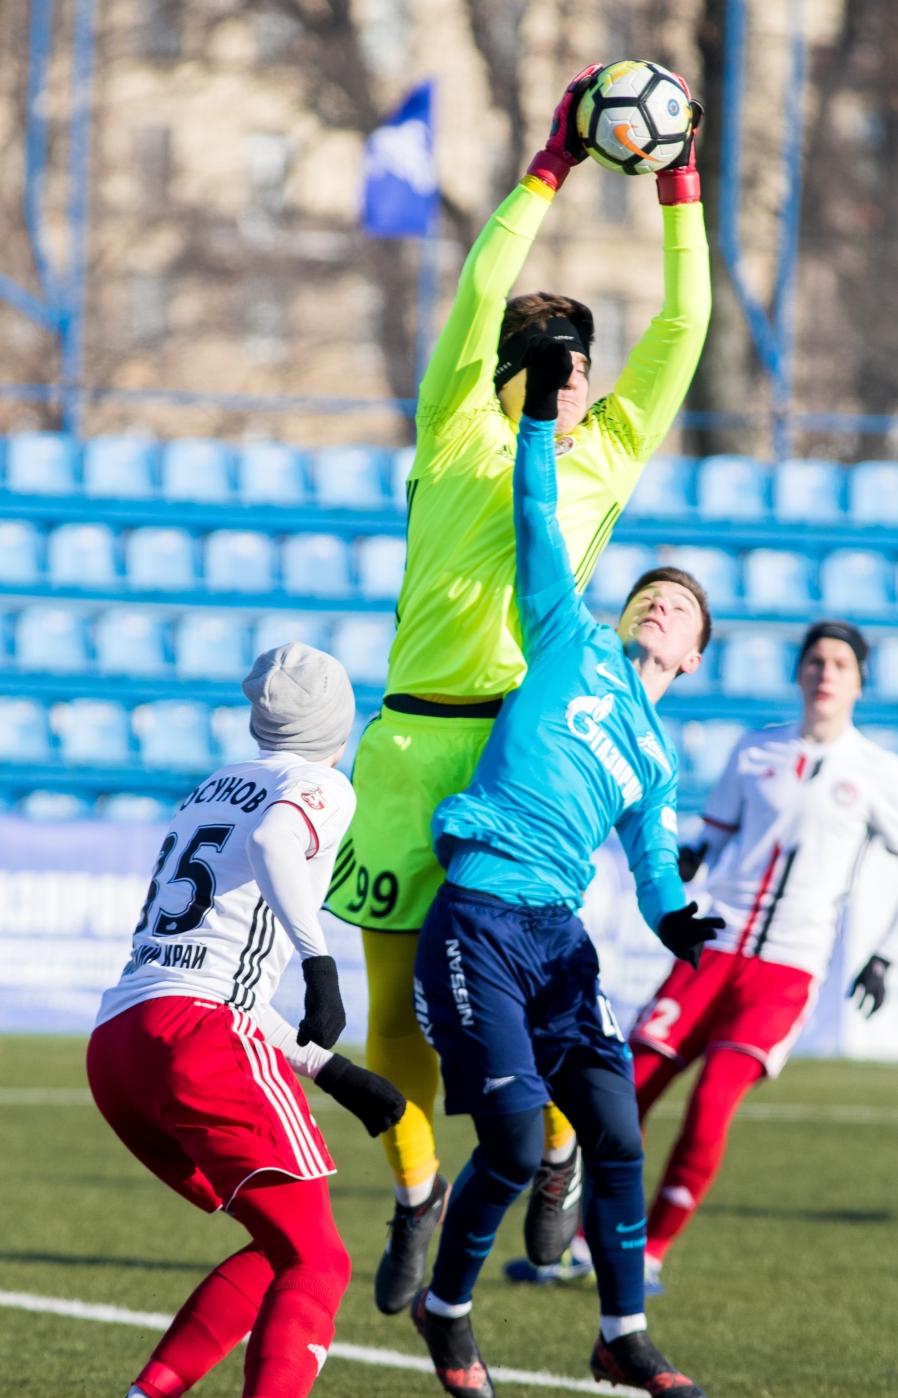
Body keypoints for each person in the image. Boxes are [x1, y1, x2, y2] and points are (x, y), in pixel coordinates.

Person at [324, 64, 711, 1317]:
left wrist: (677, 191)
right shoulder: (455, 431)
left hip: (521, 758)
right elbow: (482, 287)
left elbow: (685, 330)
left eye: (585, 360)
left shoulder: (599, 459)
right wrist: (548, 163)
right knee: (395, 1005)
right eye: (558, 358)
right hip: (405, 746)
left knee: (528, 1003)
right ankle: (416, 1183)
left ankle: (546, 1151)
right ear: (514, 365)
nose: (581, 378)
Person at [409, 339, 724, 1398]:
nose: (656, 605)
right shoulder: (565, 637)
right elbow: (538, 520)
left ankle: (621, 1333)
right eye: (648, 592)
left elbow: (649, 857)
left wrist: (676, 919)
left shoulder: (655, 756)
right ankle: (445, 1305)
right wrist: (540, 422)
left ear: (692, 657)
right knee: (505, 1136)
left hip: (556, 942)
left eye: (678, 608)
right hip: (479, 918)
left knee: (619, 1131)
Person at [83, 643, 404, 1398]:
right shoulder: (318, 785)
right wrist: (322, 963)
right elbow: (273, 846)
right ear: (335, 723)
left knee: (279, 1246)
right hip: (200, 1039)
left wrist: (330, 1071)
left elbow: (208, 962)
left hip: (121, 1041)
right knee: (322, 1257)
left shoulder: (209, 787)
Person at [629, 621, 898, 1291]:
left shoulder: (879, 771)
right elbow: (715, 837)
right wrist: (685, 861)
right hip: (712, 948)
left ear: (859, 682)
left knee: (712, 1102)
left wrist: (883, 957)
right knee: (628, 1090)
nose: (826, 673)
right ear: (798, 672)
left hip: (787, 972)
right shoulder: (756, 747)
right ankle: (592, 1244)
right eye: (816, 661)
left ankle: (649, 1252)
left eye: (841, 665)